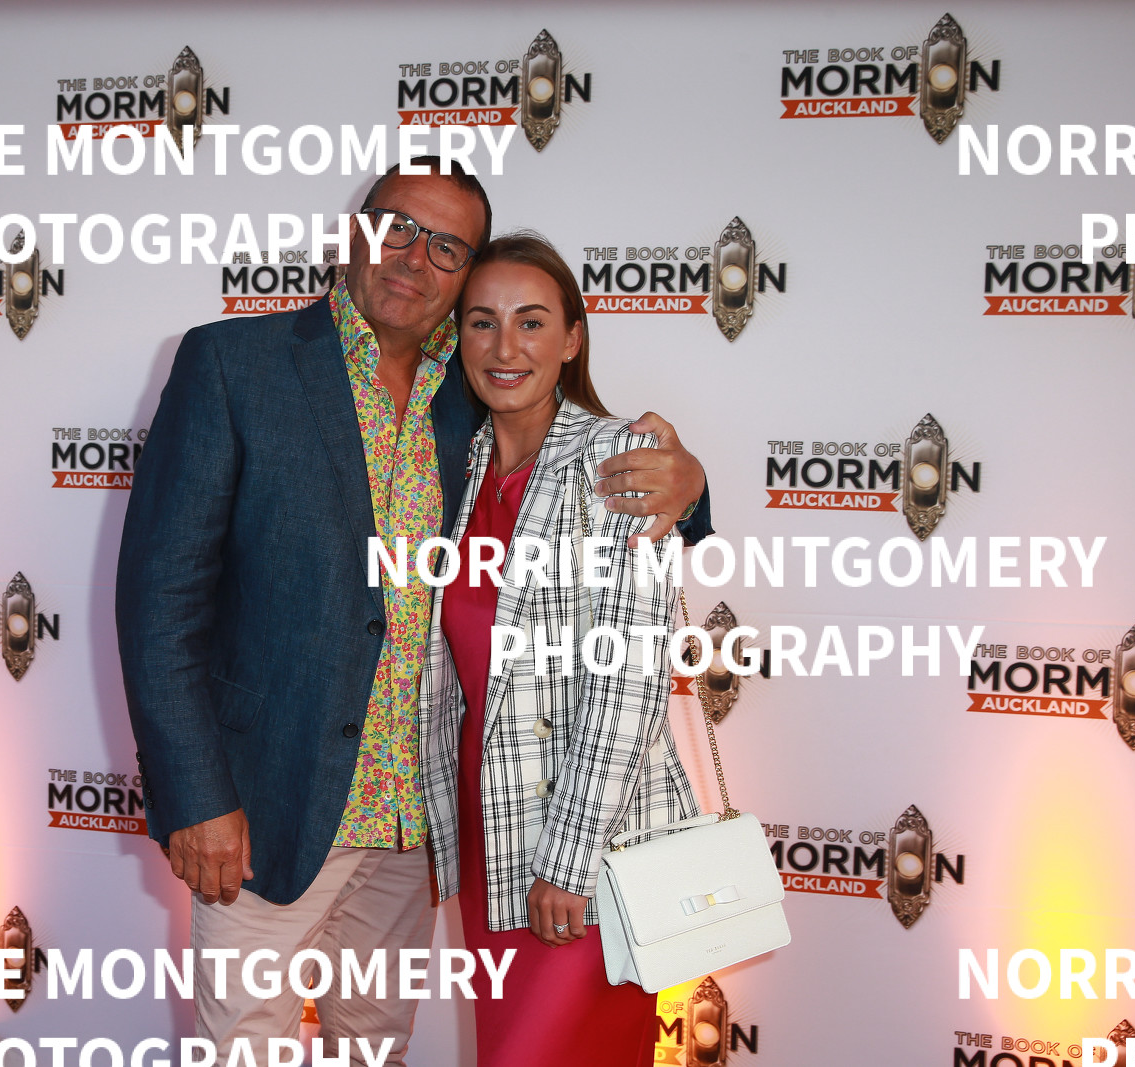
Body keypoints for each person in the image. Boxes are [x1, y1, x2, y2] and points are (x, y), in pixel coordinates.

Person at [115, 162, 711, 1062]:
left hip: (416, 829)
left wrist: (689, 486)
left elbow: (600, 476)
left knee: (377, 1048)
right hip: (267, 815)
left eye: (446, 247)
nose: (413, 257)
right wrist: (196, 797)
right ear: (355, 231)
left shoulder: (468, 395)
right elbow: (160, 600)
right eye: (397, 226)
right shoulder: (233, 364)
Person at [418, 233, 700, 1067]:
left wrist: (570, 861)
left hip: (585, 847)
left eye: (532, 321)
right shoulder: (462, 463)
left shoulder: (616, 460)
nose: (505, 347)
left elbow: (630, 682)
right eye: (482, 322)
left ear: (573, 338)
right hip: (490, 829)